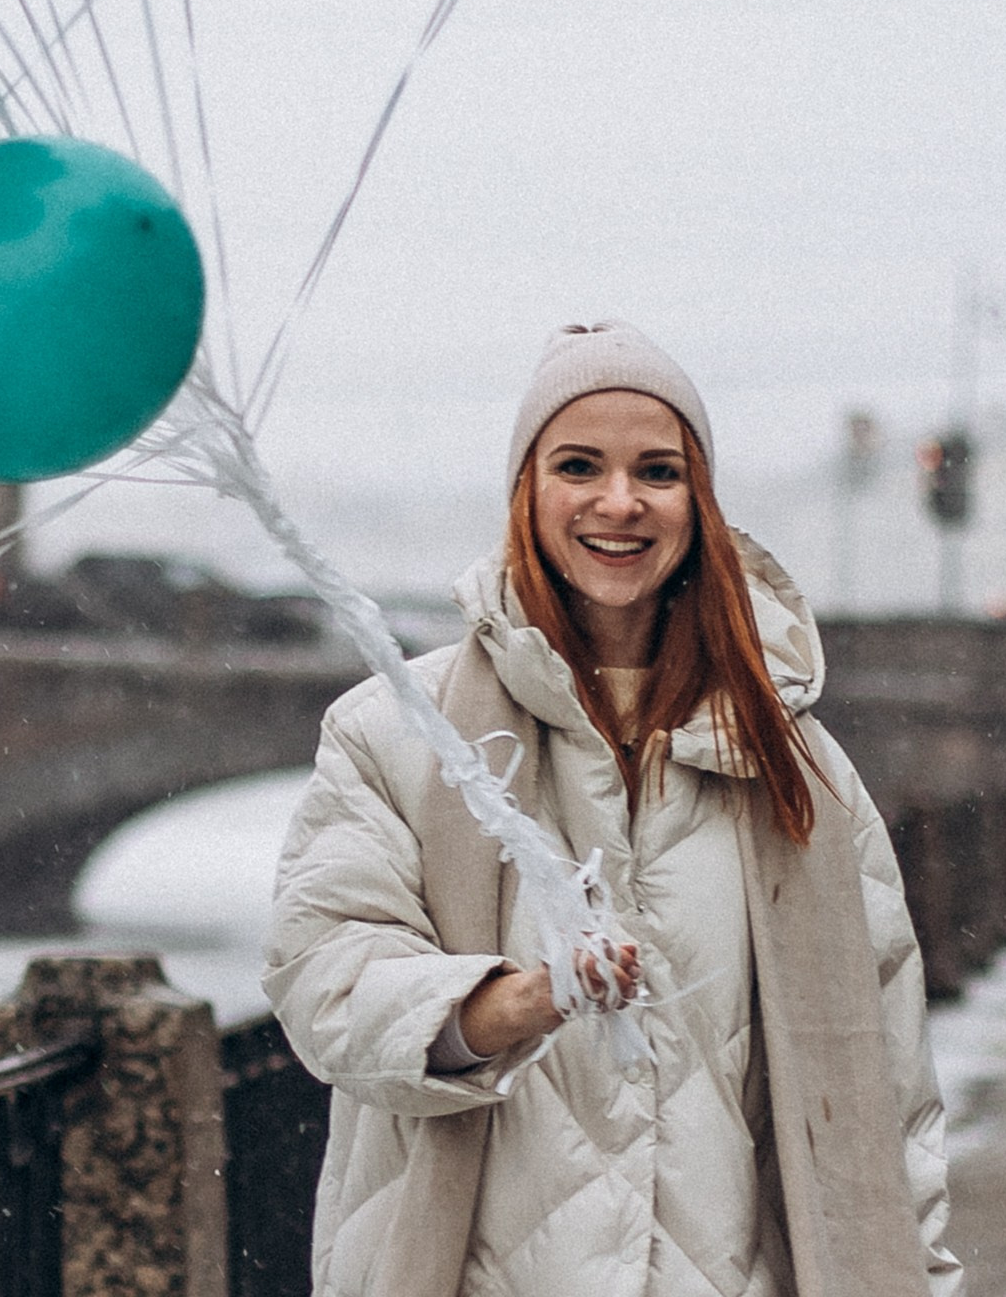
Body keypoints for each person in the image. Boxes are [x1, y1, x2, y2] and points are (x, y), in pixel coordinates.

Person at [265, 322, 962, 1297]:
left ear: (699, 501)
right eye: (579, 465)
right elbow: (326, 981)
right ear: (528, 491)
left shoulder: (797, 766)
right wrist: (516, 1002)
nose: (620, 501)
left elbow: (890, 1094)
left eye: (659, 470)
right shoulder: (399, 734)